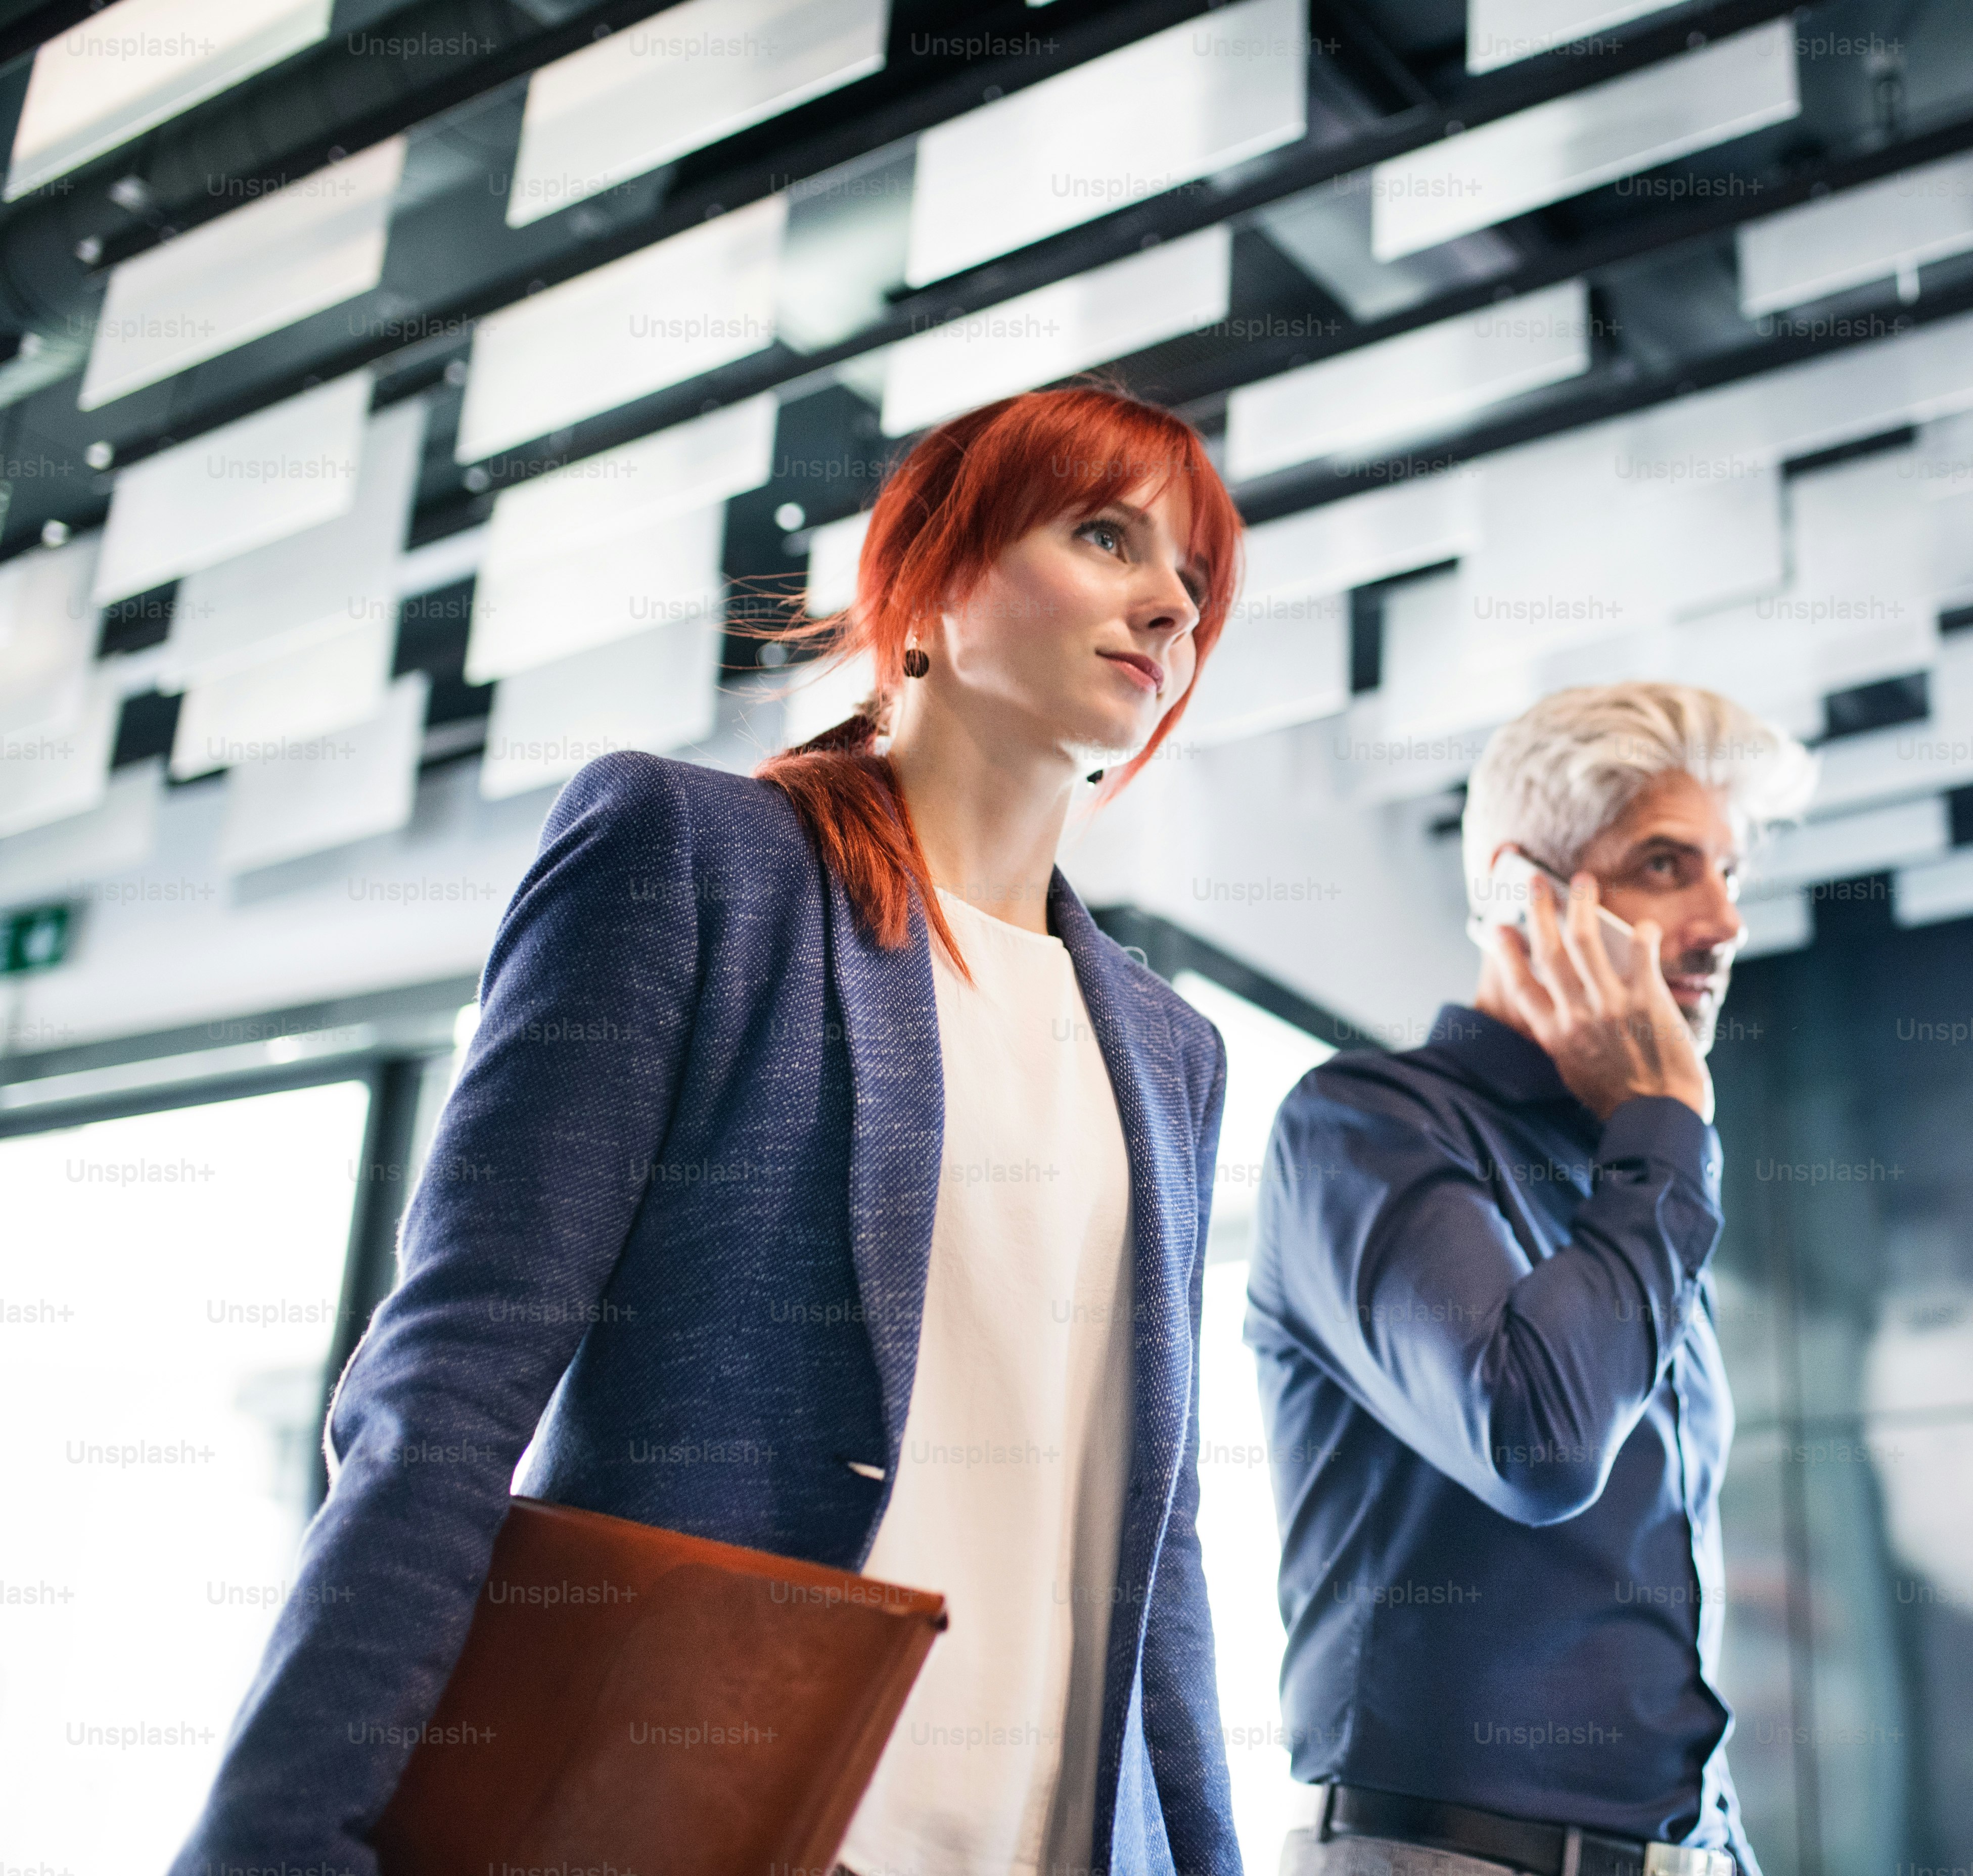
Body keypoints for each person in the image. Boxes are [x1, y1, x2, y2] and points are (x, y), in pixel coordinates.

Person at [173, 386, 1250, 1876]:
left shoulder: (1171, 1051)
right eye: (1107, 537)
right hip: (713, 1815)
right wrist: (275, 1840)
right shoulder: (696, 861)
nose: (1168, 606)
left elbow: (1162, 1540)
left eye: (1194, 582)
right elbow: (454, 1381)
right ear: (929, 577)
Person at [1249, 682, 1817, 1876]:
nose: (1724, 920)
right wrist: (1667, 1120)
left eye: (1729, 870)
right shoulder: (1364, 1125)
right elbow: (1537, 1441)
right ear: (1524, 887)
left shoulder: (1629, 1171)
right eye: (1668, 864)